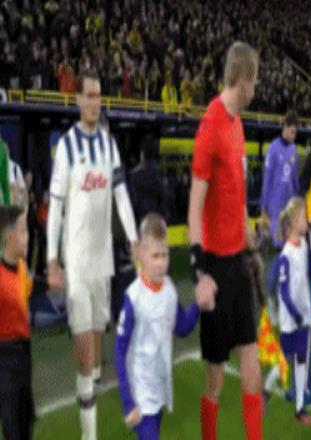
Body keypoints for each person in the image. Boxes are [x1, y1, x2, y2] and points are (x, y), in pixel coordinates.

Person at [47, 69, 138, 440]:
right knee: (86, 356)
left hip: (103, 263)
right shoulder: (67, 147)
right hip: (77, 264)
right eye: (89, 95)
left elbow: (121, 195)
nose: (94, 102)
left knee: (94, 360)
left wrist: (134, 239)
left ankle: (85, 384)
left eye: (99, 96)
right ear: (77, 100)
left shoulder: (108, 145)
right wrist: (52, 260)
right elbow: (55, 205)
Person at [188, 41, 263, 440]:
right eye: (255, 80)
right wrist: (198, 273)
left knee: (252, 367)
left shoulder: (238, 125)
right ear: (242, 78)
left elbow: (236, 199)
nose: (256, 88)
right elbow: (194, 207)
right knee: (215, 381)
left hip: (238, 263)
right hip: (215, 269)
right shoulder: (211, 126)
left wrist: (251, 245)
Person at [115, 213, 210, 439]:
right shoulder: (134, 298)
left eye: (164, 255)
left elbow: (182, 327)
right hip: (141, 396)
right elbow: (120, 351)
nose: (161, 263)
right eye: (155, 256)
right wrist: (128, 403)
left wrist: (197, 304)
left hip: (160, 390)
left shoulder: (169, 289)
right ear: (141, 254)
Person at [264, 197, 311, 425]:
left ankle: (300, 409)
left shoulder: (304, 247)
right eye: (302, 217)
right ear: (291, 223)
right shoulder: (286, 255)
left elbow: (309, 271)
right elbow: (284, 292)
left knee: (301, 363)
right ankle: (265, 392)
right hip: (291, 319)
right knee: (286, 361)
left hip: (305, 317)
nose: (306, 221)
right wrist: (295, 314)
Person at [0, 205, 35, 439]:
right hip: (5, 358)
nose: (28, 237)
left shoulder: (21, 268)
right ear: (11, 237)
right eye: (23, 231)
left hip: (24, 354)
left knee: (26, 420)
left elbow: (28, 288)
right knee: (12, 424)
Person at [260, 110, 300, 248]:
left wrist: (297, 199)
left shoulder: (294, 150)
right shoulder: (273, 148)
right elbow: (267, 178)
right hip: (275, 204)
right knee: (278, 244)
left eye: (295, 133)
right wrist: (263, 206)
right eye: (292, 132)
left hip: (289, 204)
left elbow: (294, 178)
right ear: (286, 127)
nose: (294, 136)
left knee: (289, 244)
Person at [129, 135, 169, 225]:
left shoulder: (134, 175)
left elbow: (133, 203)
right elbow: (164, 199)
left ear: (142, 154)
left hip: (141, 222)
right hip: (157, 222)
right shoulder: (160, 174)